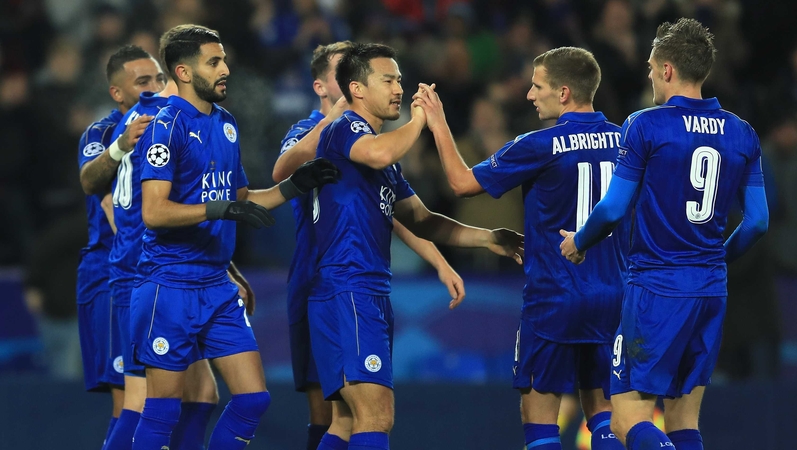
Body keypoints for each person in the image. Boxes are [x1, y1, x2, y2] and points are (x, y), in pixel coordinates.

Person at [559, 18, 769, 450]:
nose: (650, 74)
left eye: (653, 67)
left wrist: (578, 241)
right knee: (683, 420)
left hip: (656, 286)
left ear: (668, 69)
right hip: (710, 289)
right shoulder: (742, 132)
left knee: (625, 419)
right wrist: (716, 260)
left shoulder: (646, 125)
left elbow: (614, 208)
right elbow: (758, 221)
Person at [128, 24, 340, 450]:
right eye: (214, 62)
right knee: (163, 409)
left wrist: (296, 184)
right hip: (168, 284)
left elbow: (242, 197)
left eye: (223, 59)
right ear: (184, 72)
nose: (226, 69)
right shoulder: (163, 127)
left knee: (253, 399)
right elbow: (154, 211)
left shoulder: (225, 123)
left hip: (215, 286)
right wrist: (218, 209)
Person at [309, 42, 524, 450]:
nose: (398, 89)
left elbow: (422, 220)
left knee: (348, 420)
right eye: (388, 80)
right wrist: (421, 119)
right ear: (356, 89)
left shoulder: (385, 161)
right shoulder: (346, 129)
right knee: (376, 415)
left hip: (358, 290)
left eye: (400, 80)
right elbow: (377, 151)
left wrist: (487, 237)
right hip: (349, 287)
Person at [414, 47, 627, 450]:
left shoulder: (539, 144)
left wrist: (439, 123)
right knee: (603, 418)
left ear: (563, 93)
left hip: (555, 298)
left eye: (537, 85)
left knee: (541, 425)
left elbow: (461, 184)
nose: (529, 94)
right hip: (611, 296)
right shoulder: (626, 140)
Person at [273, 41, 466, 450]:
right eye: (344, 73)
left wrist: (439, 261)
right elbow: (281, 172)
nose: (392, 86)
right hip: (327, 277)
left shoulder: (372, 141)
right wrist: (338, 124)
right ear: (325, 87)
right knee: (345, 411)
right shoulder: (326, 130)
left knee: (345, 416)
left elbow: (398, 214)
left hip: (356, 278)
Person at [106, 79, 221, 450]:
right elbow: (149, 208)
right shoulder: (162, 120)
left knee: (202, 393)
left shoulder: (149, 116)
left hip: (170, 272)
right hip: (146, 273)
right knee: (141, 401)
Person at [77, 44, 166, 449]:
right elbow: (97, 188)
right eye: (143, 81)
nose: (155, 86)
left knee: (176, 398)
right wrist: (121, 145)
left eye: (159, 78)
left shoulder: (169, 131)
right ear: (117, 93)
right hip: (113, 273)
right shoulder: (101, 134)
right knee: (129, 400)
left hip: (159, 273)